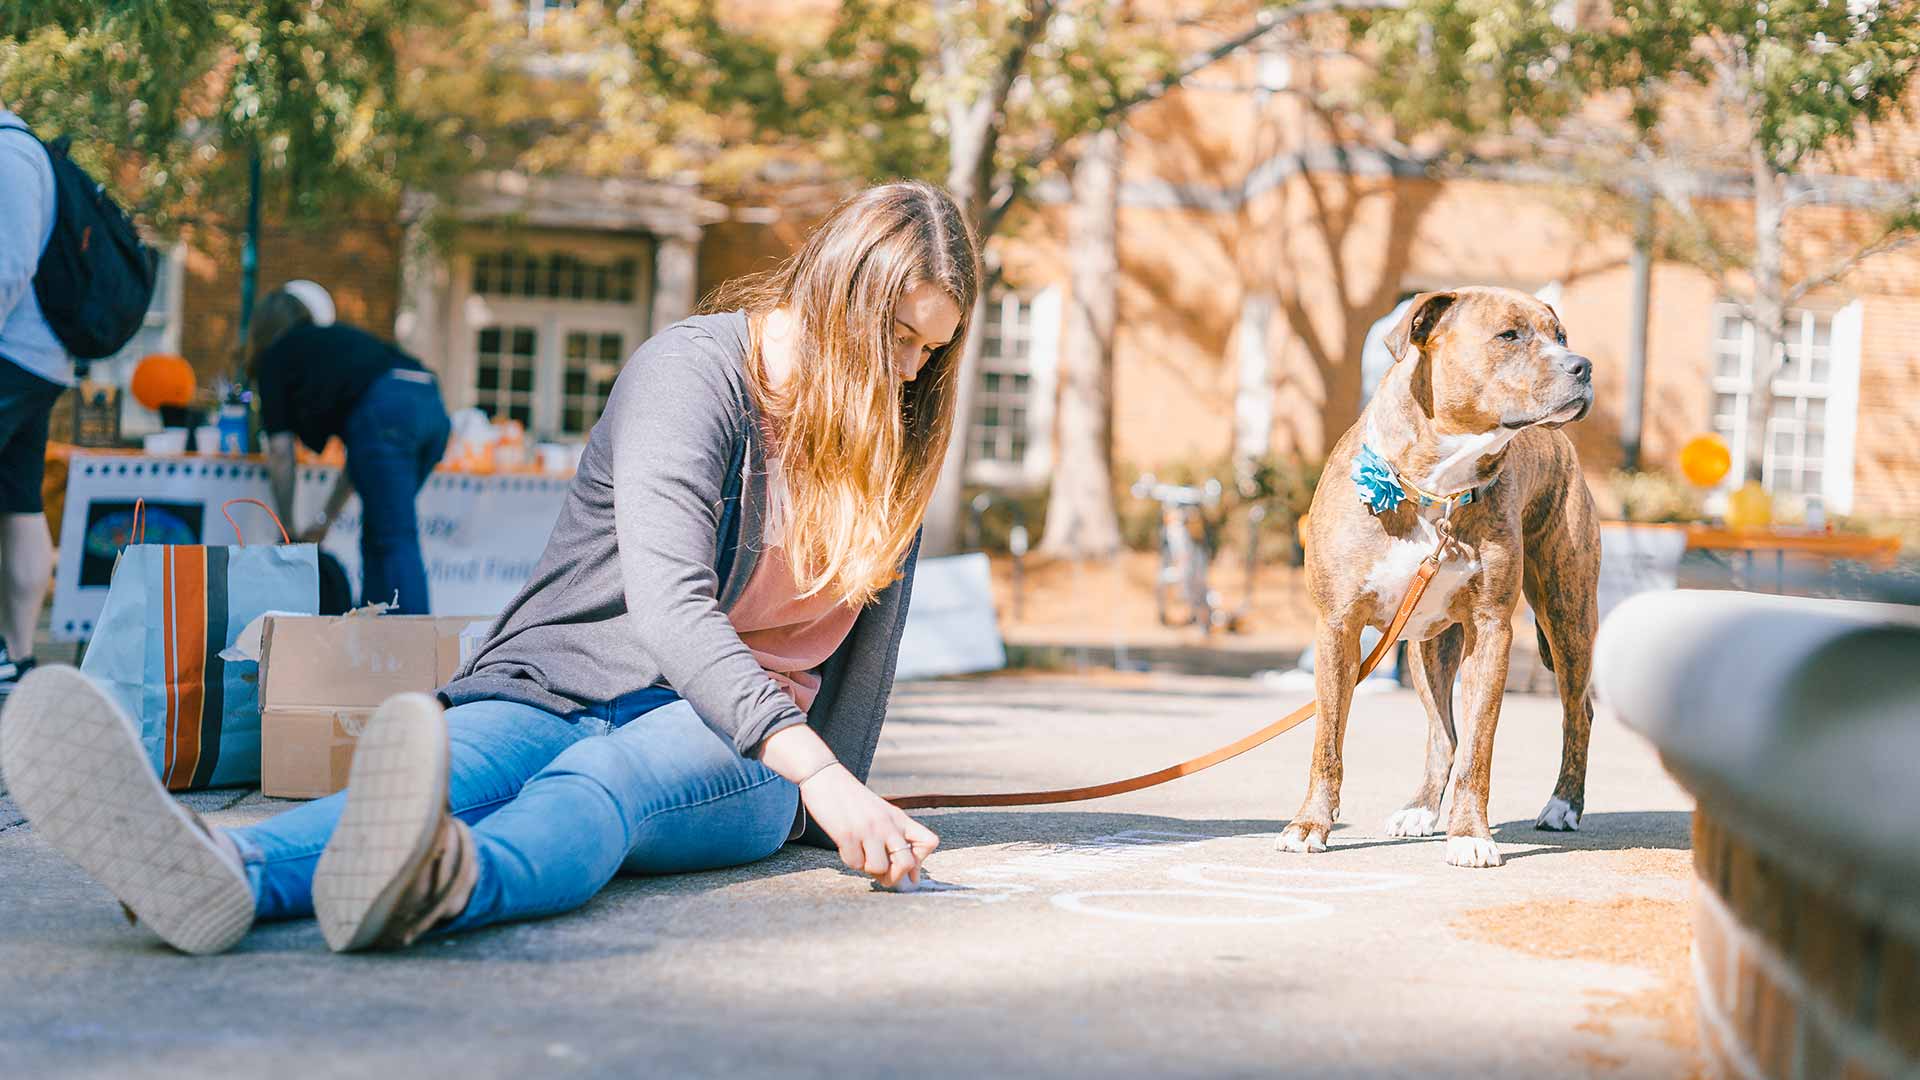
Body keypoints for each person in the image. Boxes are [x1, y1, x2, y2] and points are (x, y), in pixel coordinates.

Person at [0, 180, 979, 955]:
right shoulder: (693, 375)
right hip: (570, 681)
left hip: (746, 743)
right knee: (446, 770)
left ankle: (440, 884)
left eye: (930, 352)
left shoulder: (895, 432)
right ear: (838, 292)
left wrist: (823, 781)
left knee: (599, 784)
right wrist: (828, 776)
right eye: (898, 337)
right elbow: (672, 603)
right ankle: (221, 866)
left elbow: (856, 662)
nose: (908, 370)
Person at [248, 280, 451, 613]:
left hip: (390, 410)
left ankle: (412, 644)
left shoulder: (276, 357)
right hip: (430, 404)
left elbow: (282, 454)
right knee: (381, 530)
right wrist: (325, 519)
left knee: (393, 536)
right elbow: (360, 462)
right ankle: (376, 632)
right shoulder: (335, 344)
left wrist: (288, 531)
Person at [0, 109, 73, 697]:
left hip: (12, 354)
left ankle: (18, 654)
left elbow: (8, 267)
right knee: (19, 499)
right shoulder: (24, 151)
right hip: (36, 359)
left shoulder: (10, 155)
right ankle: (17, 657)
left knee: (20, 501)